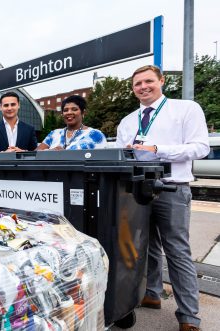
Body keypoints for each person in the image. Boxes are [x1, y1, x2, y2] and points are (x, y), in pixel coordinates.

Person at [116, 65, 209, 331]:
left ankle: (189, 316)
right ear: (133, 89)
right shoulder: (128, 121)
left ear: (161, 81)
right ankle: (152, 293)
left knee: (177, 251)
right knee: (146, 247)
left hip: (172, 188)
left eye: (148, 81)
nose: (143, 87)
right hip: (137, 189)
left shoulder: (186, 109)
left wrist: (157, 150)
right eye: (137, 84)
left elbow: (201, 148)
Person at [37, 95, 107, 150]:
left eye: (74, 109)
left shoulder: (95, 135)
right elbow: (35, 154)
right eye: (65, 110)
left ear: (83, 112)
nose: (69, 112)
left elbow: (102, 161)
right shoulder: (54, 134)